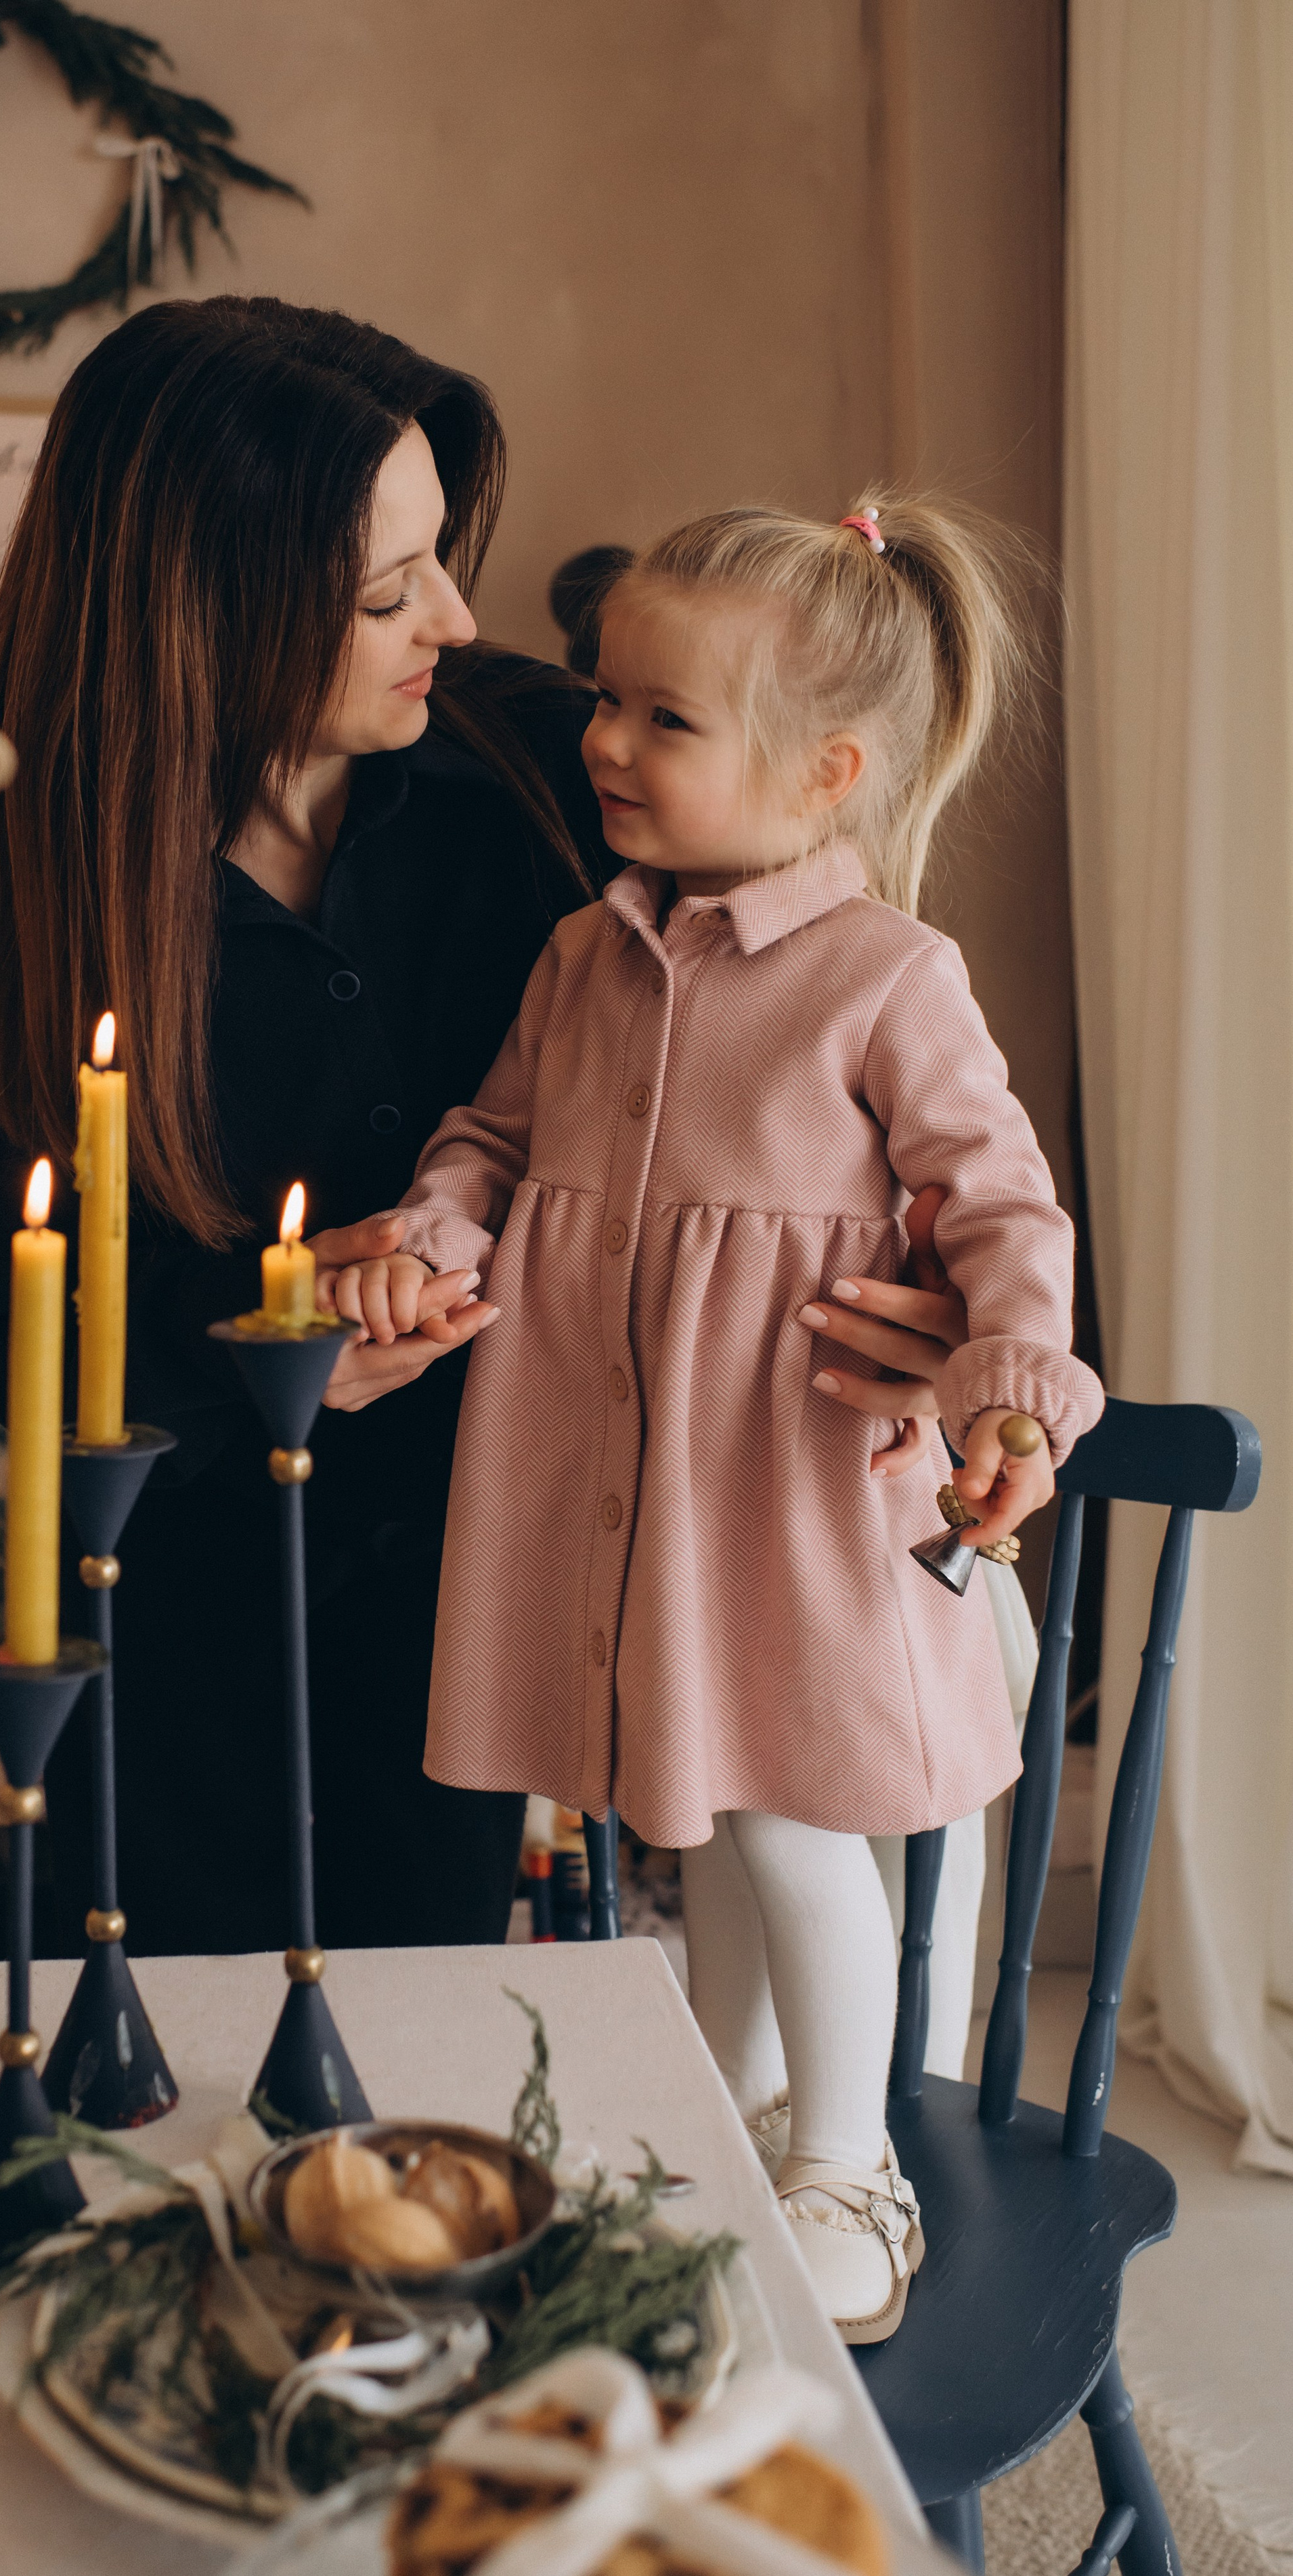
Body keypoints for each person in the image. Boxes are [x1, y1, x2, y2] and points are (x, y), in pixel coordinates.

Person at [0, 296, 987, 1963]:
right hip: (194, 1612)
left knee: (420, 2062)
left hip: (495, 1568)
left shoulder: (563, 763)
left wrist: (919, 1296)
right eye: (382, 588)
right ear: (209, 611)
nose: (455, 613)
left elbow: (840, 1035)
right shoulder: (78, 895)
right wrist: (265, 1357)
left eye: (437, 556)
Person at [328, 496, 1102, 2340]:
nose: (600, 742)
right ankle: (739, 2116)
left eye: (661, 719)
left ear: (826, 769)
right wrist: (440, 1226)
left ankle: (856, 2161)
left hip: (792, 1489)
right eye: (606, 701)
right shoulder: (582, 959)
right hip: (629, 1477)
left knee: (784, 1823)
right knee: (702, 1811)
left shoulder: (889, 979)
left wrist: (1008, 1373)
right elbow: (494, 1138)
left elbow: (1004, 1214)